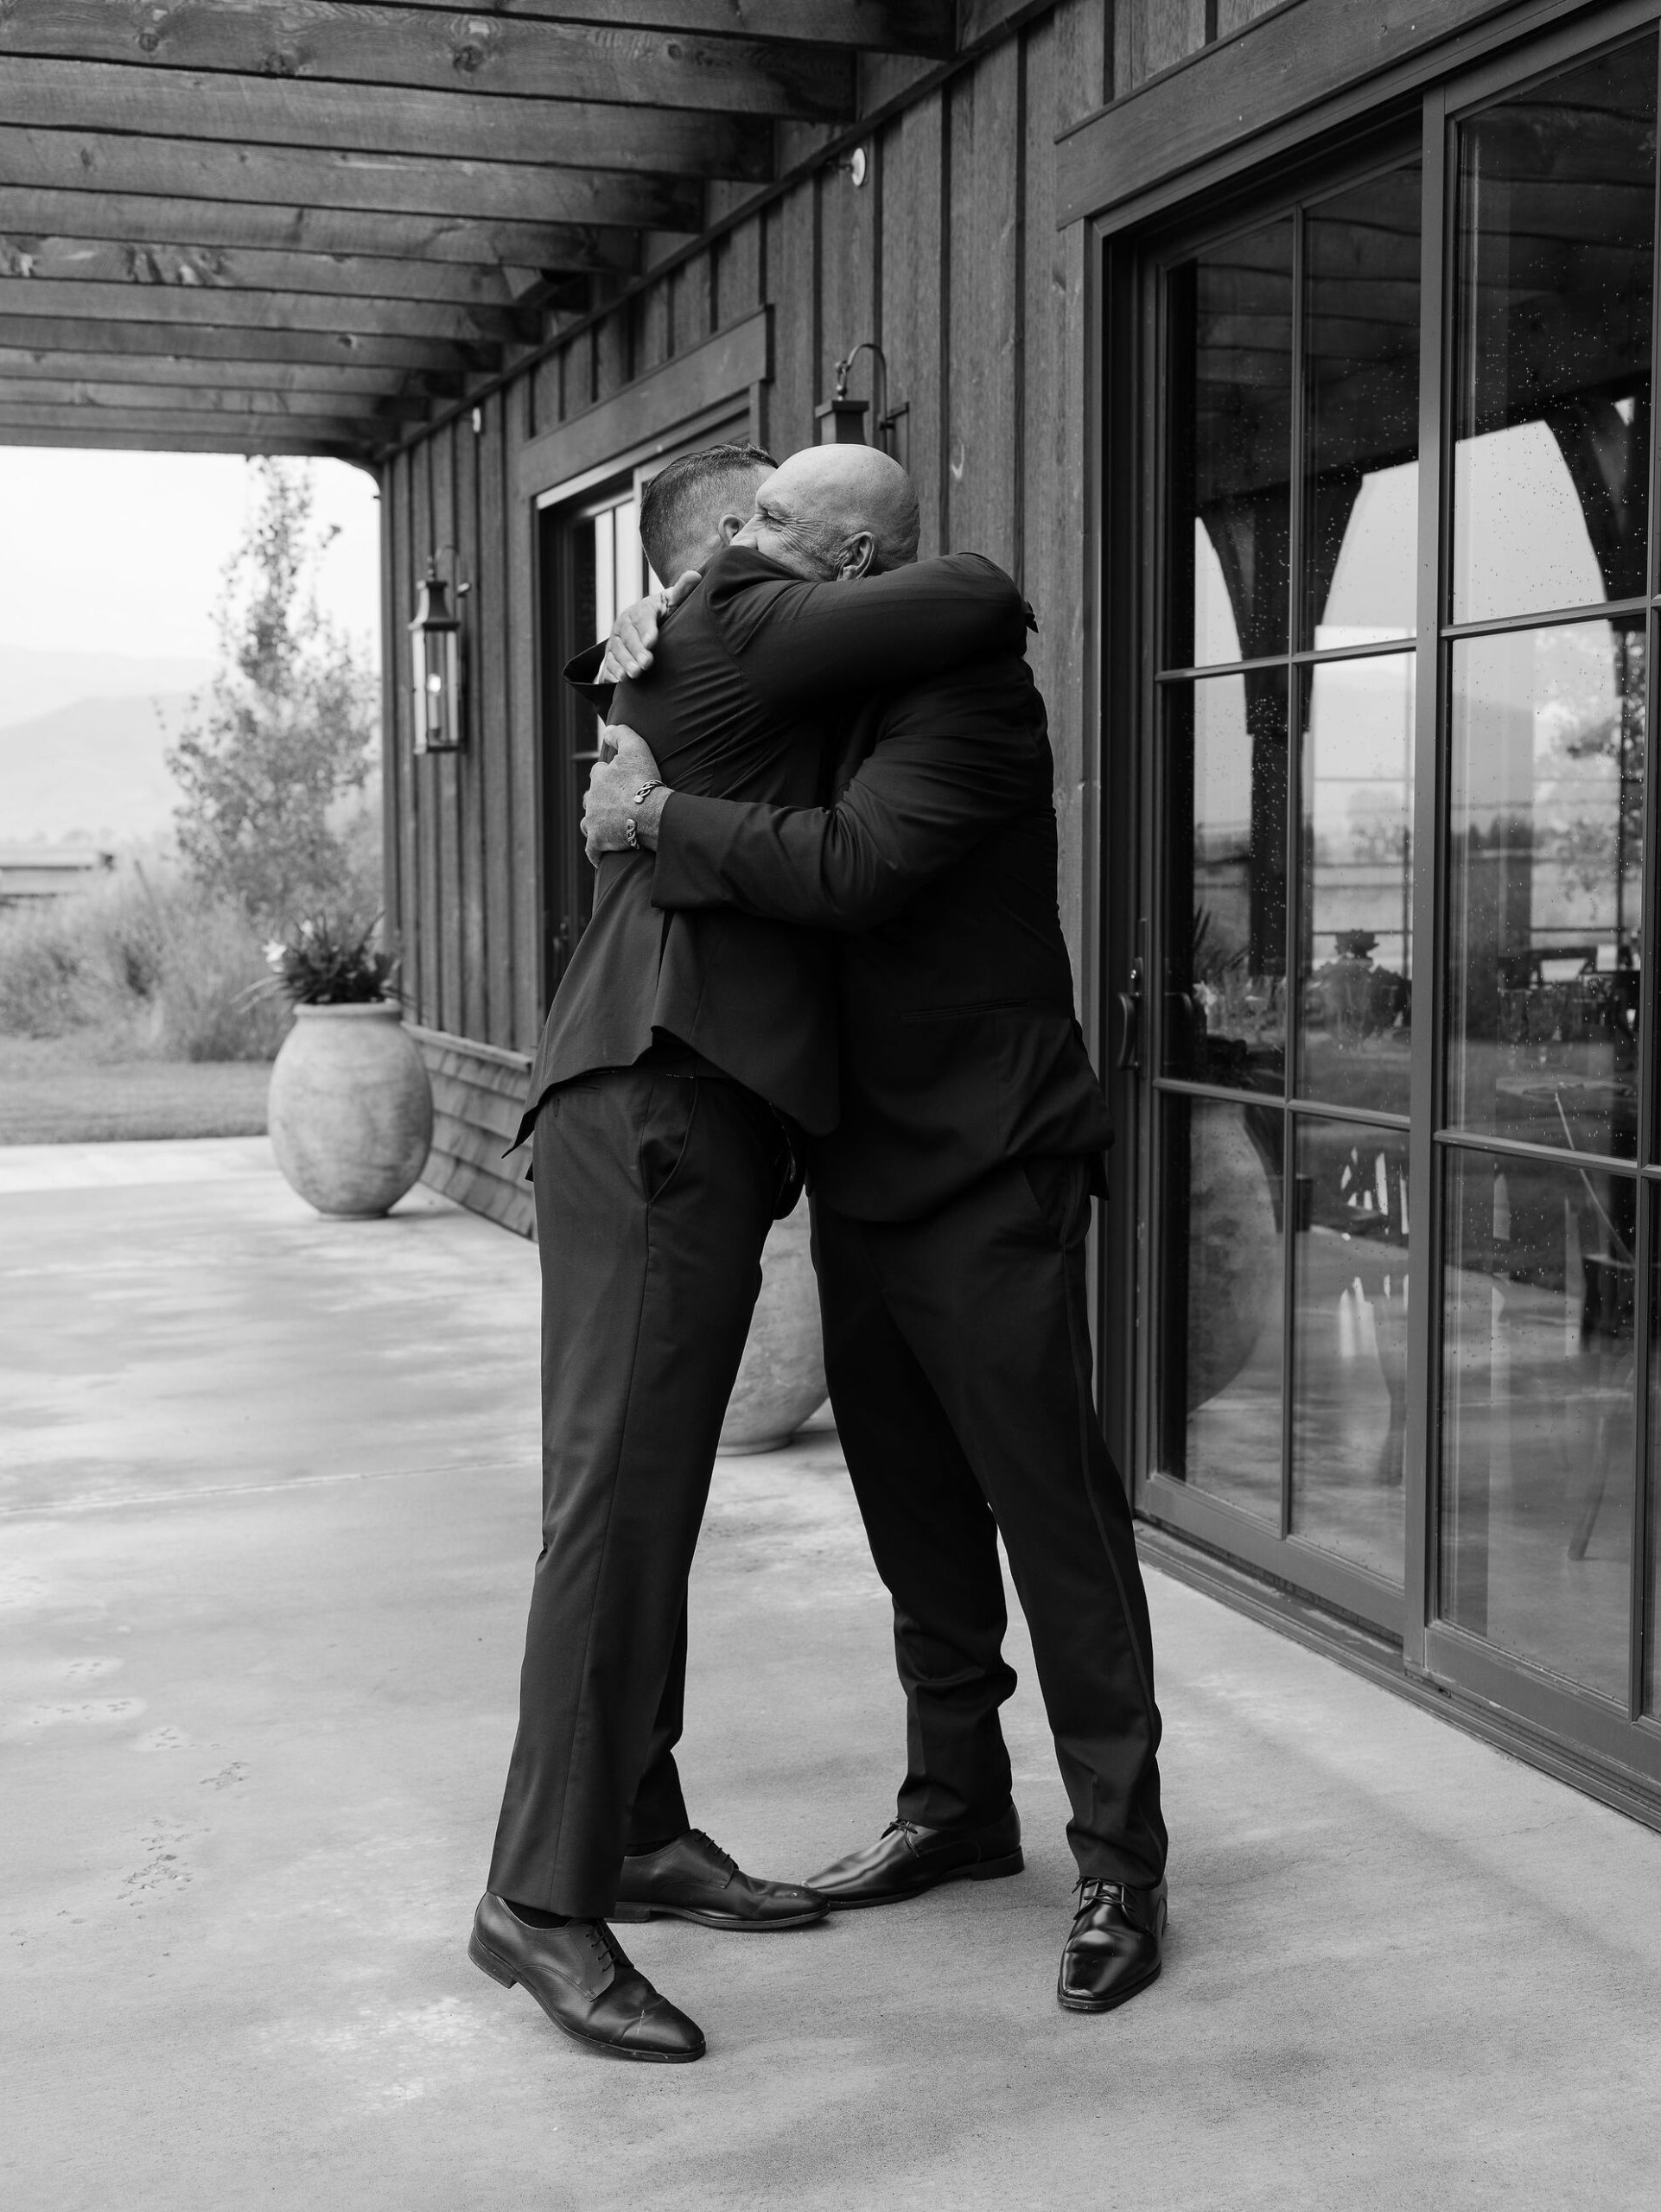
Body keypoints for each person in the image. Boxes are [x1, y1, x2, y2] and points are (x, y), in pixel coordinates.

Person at [582, 469, 1169, 2018]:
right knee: (912, 1510)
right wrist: (638, 630)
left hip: (990, 1159)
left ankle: (1120, 1856)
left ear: (850, 565)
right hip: (860, 1161)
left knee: (1053, 1516)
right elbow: (695, 685)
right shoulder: (804, 673)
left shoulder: (974, 695)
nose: (741, 555)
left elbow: (849, 866)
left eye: (776, 532)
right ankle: (955, 1807)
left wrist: (653, 814)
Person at [472, 442, 1028, 2063]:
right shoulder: (751, 610)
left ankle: (636, 1831)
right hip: (657, 1095)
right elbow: (989, 592)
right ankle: (540, 1900)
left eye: (780, 519)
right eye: (749, 517)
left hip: (685, 1107)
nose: (752, 539)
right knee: (618, 1507)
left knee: (648, 1496)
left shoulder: (702, 642)